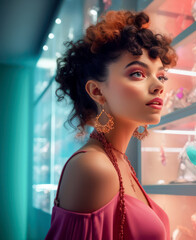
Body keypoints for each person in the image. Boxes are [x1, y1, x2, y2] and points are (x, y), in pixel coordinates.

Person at [45, 10, 177, 240]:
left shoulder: (118, 160)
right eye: (137, 73)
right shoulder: (93, 167)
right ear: (97, 91)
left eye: (161, 76)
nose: (158, 86)